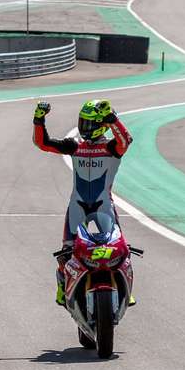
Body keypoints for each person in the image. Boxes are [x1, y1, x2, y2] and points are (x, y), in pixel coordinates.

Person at [32, 99, 133, 306]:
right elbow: (43, 143)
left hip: (104, 205)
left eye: (90, 123)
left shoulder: (112, 147)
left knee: (121, 250)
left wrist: (114, 120)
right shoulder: (75, 145)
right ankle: (62, 286)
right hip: (77, 204)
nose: (84, 127)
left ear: (102, 124)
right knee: (66, 252)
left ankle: (126, 289)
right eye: (83, 122)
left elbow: (126, 140)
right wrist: (38, 120)